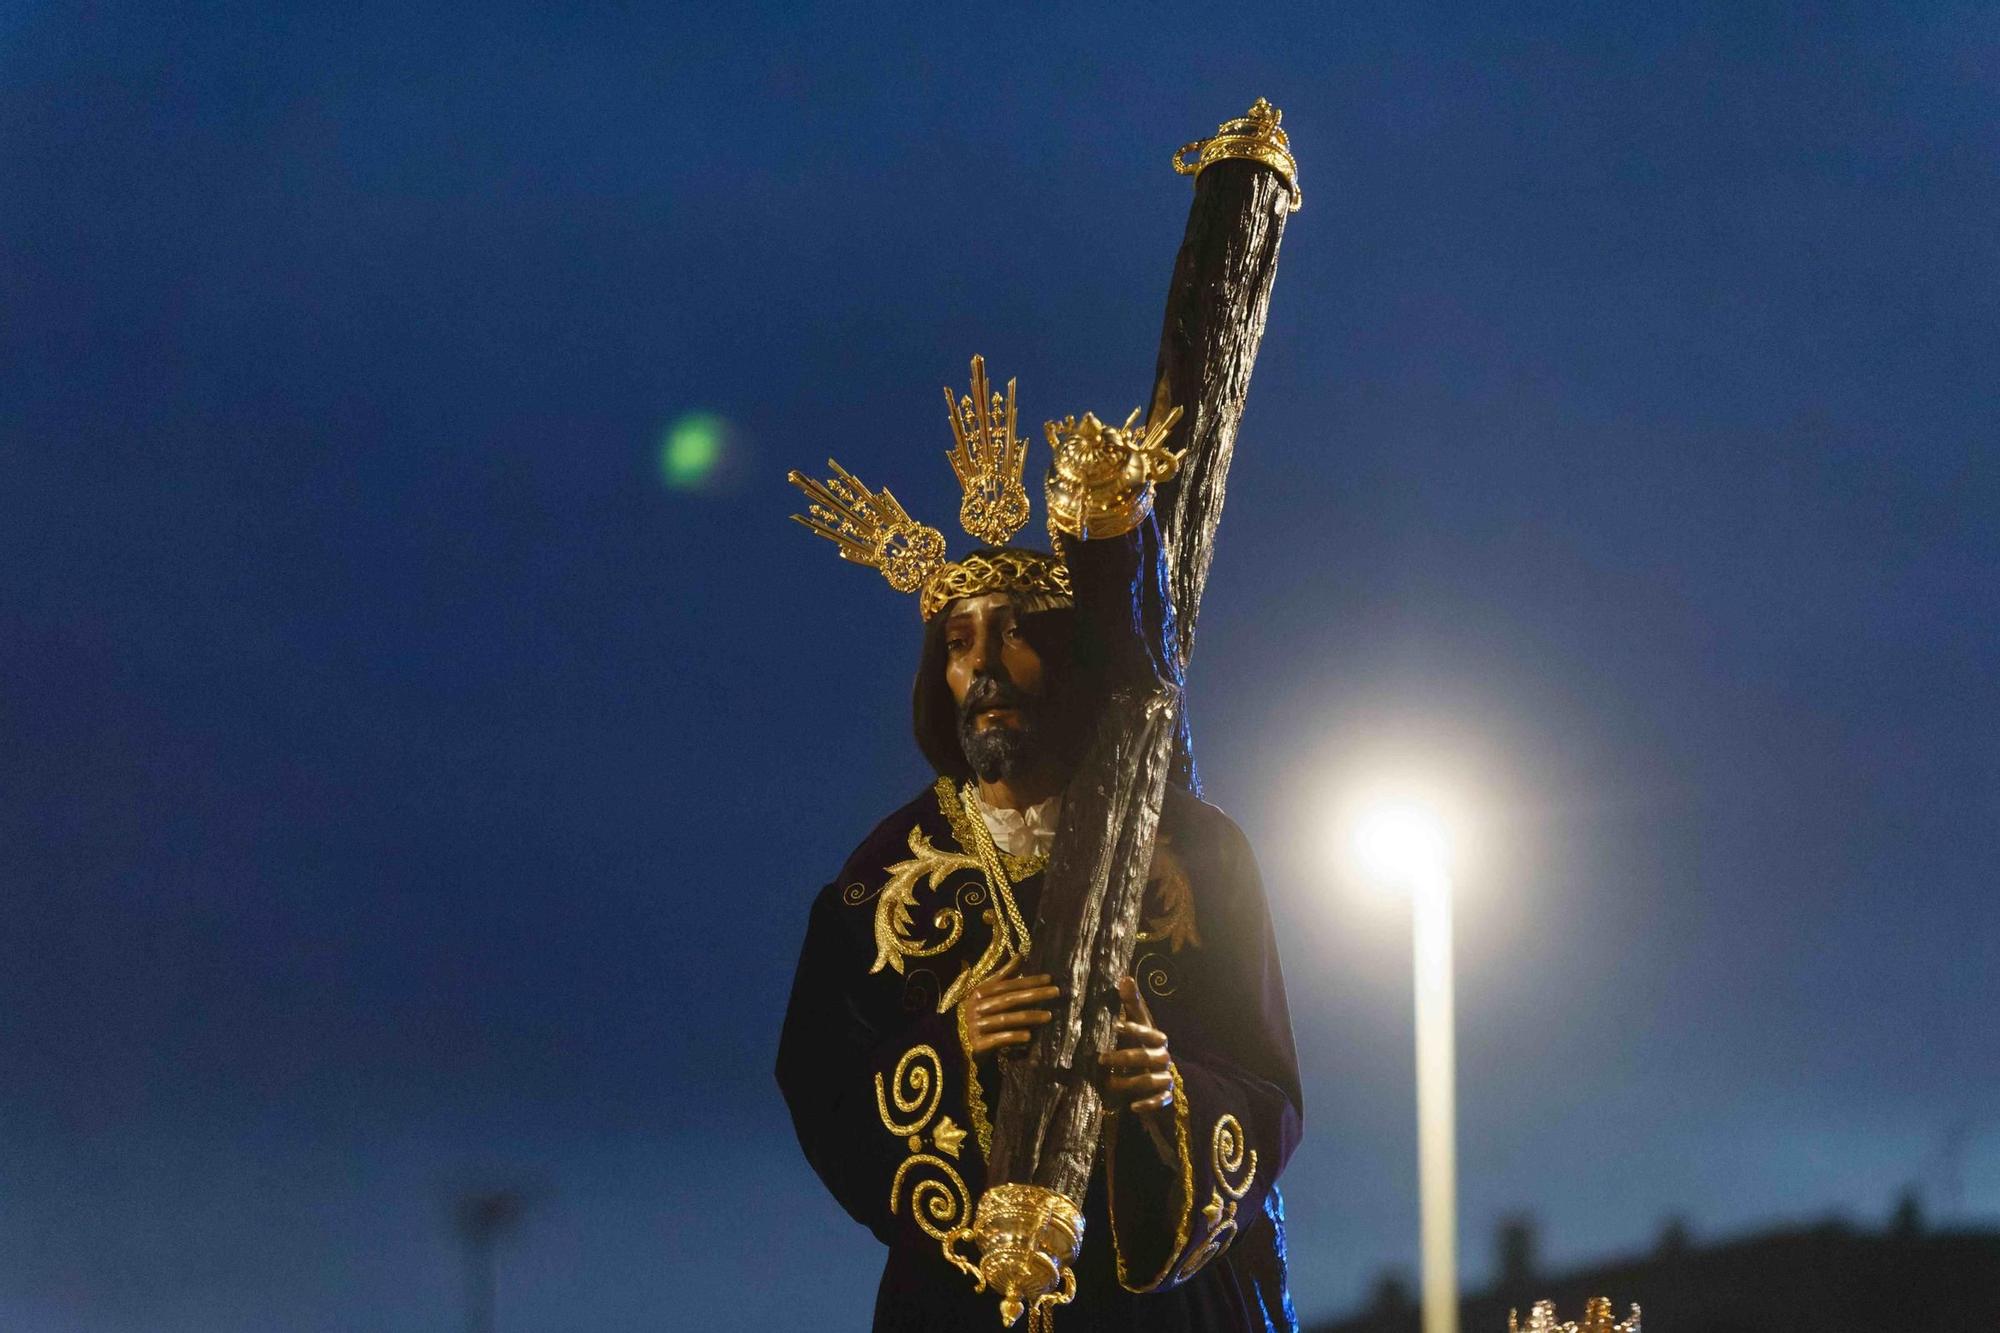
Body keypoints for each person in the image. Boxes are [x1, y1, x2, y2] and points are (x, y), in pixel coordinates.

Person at [776, 359, 1302, 1331]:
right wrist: (954, 1044)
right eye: (959, 642)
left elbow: (1268, 1082)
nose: (982, 667)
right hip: (969, 1294)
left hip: (1163, 1295)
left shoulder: (1196, 850)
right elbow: (820, 1088)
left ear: (1067, 657)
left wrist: (1170, 1087)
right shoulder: (876, 881)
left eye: (1014, 637)